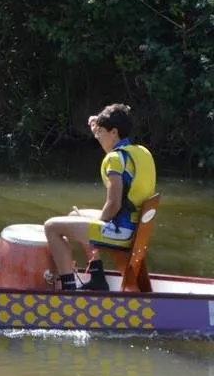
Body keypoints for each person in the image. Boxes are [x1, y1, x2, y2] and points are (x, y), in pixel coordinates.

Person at [44, 104, 156, 291]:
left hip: (122, 231)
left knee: (51, 227)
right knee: (75, 215)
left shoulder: (114, 159)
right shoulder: (141, 152)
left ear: (113, 132)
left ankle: (68, 291)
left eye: (101, 131)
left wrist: (99, 226)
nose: (97, 135)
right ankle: (97, 277)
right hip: (135, 226)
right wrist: (99, 122)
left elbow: (113, 205)